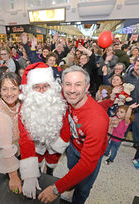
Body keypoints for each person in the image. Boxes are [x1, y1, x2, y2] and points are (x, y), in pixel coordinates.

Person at [38, 65, 109, 204]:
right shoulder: (65, 97)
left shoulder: (97, 120)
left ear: (87, 87)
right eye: (68, 84)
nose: (72, 90)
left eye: (78, 85)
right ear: (62, 86)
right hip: (73, 147)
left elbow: (87, 164)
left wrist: (56, 189)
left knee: (83, 188)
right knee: (72, 171)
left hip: (89, 156)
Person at [19, 62, 69, 199]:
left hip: (55, 142)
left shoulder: (59, 102)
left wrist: (61, 142)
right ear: (30, 89)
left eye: (45, 86)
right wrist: (29, 175)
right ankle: (40, 172)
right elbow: (25, 138)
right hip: (36, 144)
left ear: (51, 86)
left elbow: (66, 126)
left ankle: (50, 171)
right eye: (36, 87)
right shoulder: (25, 108)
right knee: (38, 160)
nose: (41, 90)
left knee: (52, 161)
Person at [0, 72, 22, 194]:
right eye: (5, 89)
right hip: (5, 148)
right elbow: (5, 148)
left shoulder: (19, 102)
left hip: (17, 144)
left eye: (13, 88)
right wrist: (13, 177)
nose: (9, 93)